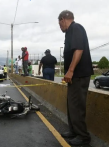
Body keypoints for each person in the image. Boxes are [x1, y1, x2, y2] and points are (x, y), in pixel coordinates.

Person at [58, 10, 94, 146]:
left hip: (79, 74)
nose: (59, 26)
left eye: (59, 23)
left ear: (63, 19)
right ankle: (74, 130)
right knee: (71, 104)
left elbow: (79, 50)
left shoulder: (76, 28)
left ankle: (83, 136)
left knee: (77, 105)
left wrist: (70, 71)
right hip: (75, 76)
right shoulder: (70, 32)